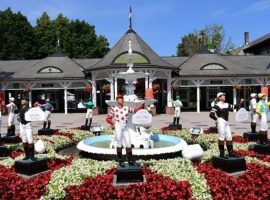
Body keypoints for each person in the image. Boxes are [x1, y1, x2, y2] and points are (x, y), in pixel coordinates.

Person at [106, 95, 144, 167]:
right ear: (117, 101)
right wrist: (113, 124)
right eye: (119, 99)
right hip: (118, 127)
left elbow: (134, 110)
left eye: (122, 99)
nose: (121, 100)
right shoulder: (114, 109)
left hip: (125, 127)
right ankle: (120, 160)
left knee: (128, 143)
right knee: (119, 143)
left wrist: (140, 106)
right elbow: (108, 118)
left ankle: (130, 160)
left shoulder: (126, 108)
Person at [209, 92, 236, 157]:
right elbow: (211, 114)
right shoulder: (217, 105)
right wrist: (216, 119)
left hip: (226, 122)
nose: (224, 96)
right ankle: (222, 153)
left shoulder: (227, 104)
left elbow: (234, 107)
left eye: (224, 95)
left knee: (229, 137)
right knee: (221, 137)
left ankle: (231, 152)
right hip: (221, 121)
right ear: (219, 97)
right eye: (222, 95)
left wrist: (241, 102)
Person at [17, 97, 36, 161]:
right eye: (21, 100)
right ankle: (27, 155)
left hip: (27, 125)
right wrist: (19, 119)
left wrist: (36, 106)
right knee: (24, 140)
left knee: (30, 140)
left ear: (27, 102)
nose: (22, 101)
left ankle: (32, 156)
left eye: (24, 100)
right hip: (21, 125)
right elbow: (18, 116)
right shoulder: (20, 109)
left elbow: (35, 112)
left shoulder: (29, 109)